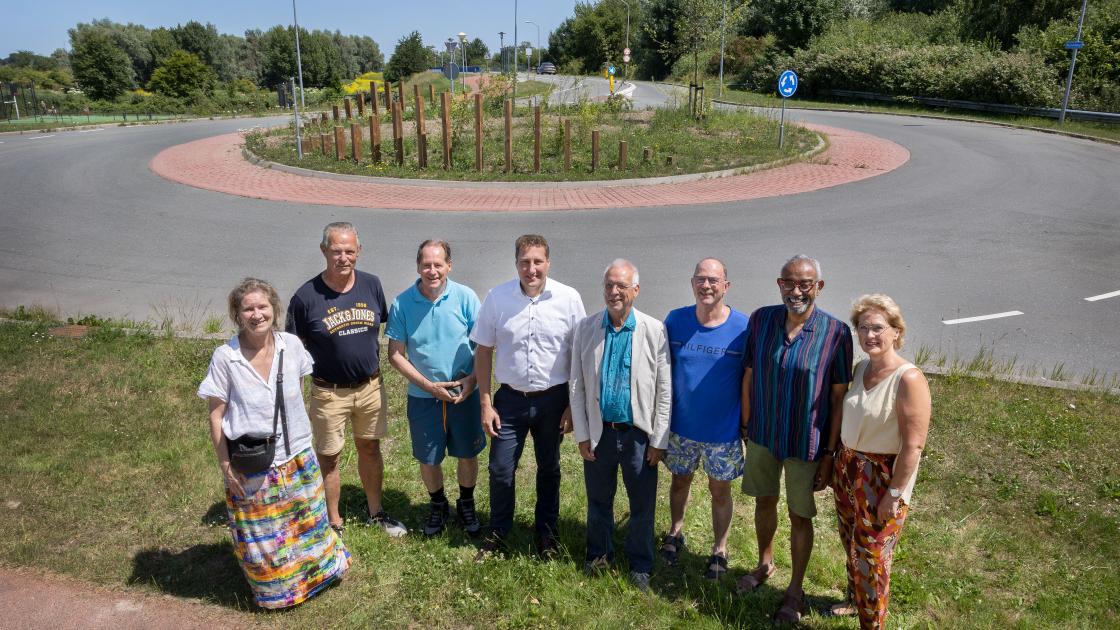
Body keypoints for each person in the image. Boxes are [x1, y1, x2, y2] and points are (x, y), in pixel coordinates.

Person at [198, 278, 350, 608]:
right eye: (248, 308)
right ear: (237, 314)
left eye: (262, 307)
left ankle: (320, 576)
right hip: (253, 461)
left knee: (308, 523)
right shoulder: (226, 357)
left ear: (274, 309)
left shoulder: (291, 346)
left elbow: (294, 391)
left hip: (297, 453)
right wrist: (225, 464)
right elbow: (216, 415)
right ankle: (278, 593)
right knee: (264, 535)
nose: (256, 314)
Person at [738, 254, 853, 624]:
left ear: (819, 286)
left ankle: (795, 590)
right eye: (789, 283)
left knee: (800, 514)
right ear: (779, 284)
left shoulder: (836, 333)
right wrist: (746, 424)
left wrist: (830, 454)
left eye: (805, 284)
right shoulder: (762, 320)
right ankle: (765, 564)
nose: (796, 291)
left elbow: (838, 398)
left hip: (807, 441)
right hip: (763, 434)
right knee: (764, 502)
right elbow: (749, 374)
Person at [286, 222, 407, 536]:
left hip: (370, 388)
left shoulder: (371, 285)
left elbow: (388, 323)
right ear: (324, 250)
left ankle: (376, 512)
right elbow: (293, 351)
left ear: (359, 251)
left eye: (350, 251)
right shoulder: (305, 297)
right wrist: (294, 396)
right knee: (330, 457)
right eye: (337, 251)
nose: (343, 257)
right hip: (329, 392)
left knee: (370, 448)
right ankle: (333, 521)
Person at [471, 234, 586, 559]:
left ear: (548, 262)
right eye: (525, 262)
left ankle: (547, 533)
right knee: (500, 469)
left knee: (549, 467)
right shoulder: (498, 298)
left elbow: (580, 354)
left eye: (537, 262)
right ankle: (498, 530)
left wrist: (572, 406)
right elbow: (483, 351)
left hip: (554, 400)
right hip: (510, 400)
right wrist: (485, 402)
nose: (531, 269)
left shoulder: (568, 299)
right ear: (516, 263)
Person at [829, 294, 931, 629]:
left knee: (872, 556)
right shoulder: (860, 370)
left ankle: (871, 623)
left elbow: (913, 446)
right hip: (848, 469)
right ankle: (853, 599)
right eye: (863, 328)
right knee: (851, 541)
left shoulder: (908, 379)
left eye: (878, 328)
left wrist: (895, 492)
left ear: (895, 332)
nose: (869, 335)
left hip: (881, 477)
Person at [570, 259, 671, 592]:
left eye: (622, 286)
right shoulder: (586, 328)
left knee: (641, 505)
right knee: (599, 500)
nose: (614, 292)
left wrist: (659, 439)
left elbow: (663, 388)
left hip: (638, 436)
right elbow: (576, 384)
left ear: (636, 290)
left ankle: (640, 564)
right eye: (609, 285)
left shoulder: (653, 329)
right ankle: (599, 554)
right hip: (600, 434)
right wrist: (583, 434)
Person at [386, 239, 485, 538]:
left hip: (463, 393)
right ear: (418, 266)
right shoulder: (402, 303)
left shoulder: (466, 297)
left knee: (468, 453)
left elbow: (483, 345)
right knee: (428, 457)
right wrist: (428, 386)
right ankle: (438, 503)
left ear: (449, 266)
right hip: (423, 396)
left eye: (438, 264)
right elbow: (395, 355)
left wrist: (473, 380)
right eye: (426, 265)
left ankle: (466, 502)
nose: (432, 271)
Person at [661, 258, 749, 580]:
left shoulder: (742, 328)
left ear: (726, 286)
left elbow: (750, 379)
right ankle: (675, 531)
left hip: (722, 433)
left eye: (714, 280)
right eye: (701, 279)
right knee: (679, 481)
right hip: (681, 428)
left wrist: (746, 423)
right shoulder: (675, 321)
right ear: (692, 283)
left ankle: (719, 549)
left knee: (720, 491)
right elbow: (660, 369)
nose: (707, 286)